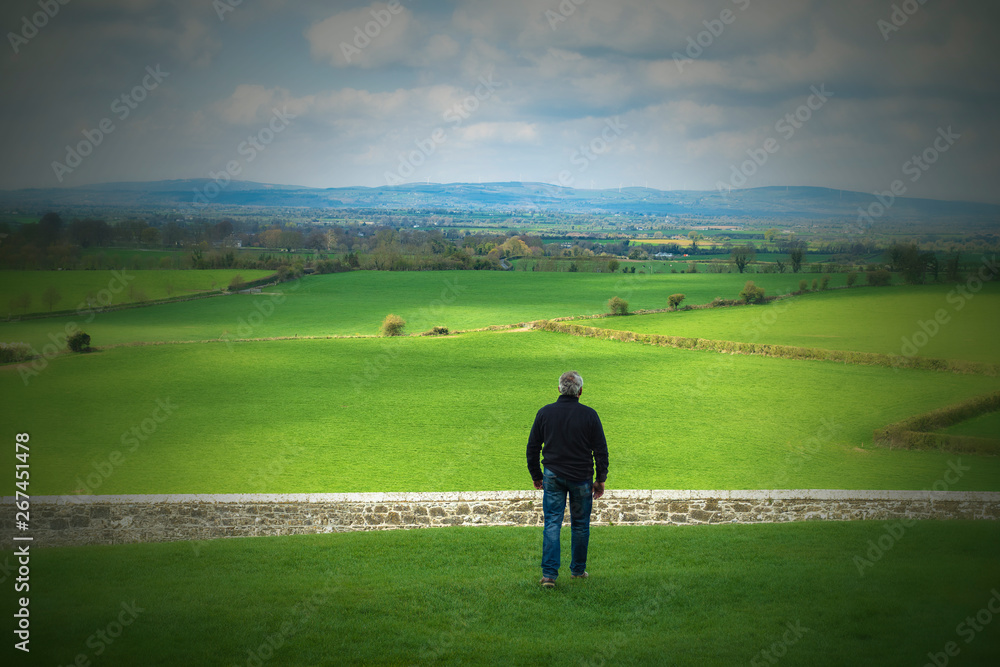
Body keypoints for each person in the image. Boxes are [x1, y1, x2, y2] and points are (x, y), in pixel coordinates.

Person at [526, 370, 609, 588]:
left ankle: (549, 576)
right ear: (580, 391)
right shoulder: (590, 415)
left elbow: (533, 447)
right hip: (582, 477)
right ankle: (578, 571)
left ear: (559, 389)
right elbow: (601, 450)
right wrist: (601, 479)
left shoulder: (545, 413)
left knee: (552, 523)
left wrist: (536, 475)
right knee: (580, 525)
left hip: (552, 475)